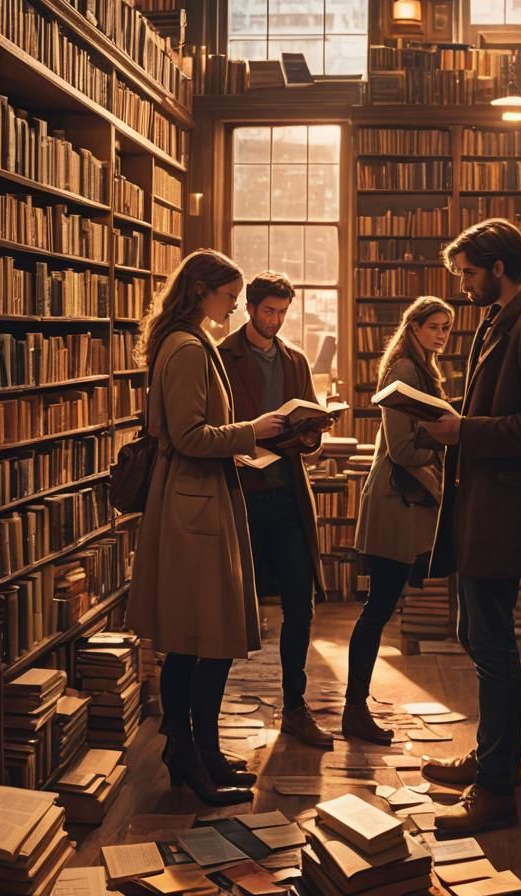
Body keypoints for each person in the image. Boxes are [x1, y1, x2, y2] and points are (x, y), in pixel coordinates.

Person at [420, 219, 521, 834]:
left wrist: (464, 430)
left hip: (503, 513)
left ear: (499, 269)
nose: (462, 286)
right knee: (479, 637)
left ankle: (498, 786)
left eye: (469, 274)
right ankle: (491, 757)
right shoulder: (499, 321)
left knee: (494, 647)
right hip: (482, 505)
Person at [125, 250, 286, 805]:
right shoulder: (188, 348)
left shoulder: (186, 341)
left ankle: (199, 752)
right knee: (201, 638)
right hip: (192, 506)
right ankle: (190, 756)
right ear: (199, 290)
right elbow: (192, 435)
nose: (236, 306)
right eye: (229, 295)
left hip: (197, 498)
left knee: (197, 638)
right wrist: (252, 431)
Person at [218, 272, 335, 749]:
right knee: (228, 607)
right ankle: (210, 715)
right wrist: (252, 432)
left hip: (287, 492)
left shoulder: (294, 360)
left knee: (299, 605)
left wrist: (310, 434)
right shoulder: (223, 357)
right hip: (241, 493)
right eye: (269, 311)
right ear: (250, 307)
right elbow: (213, 427)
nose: (276, 320)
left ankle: (294, 707)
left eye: (283, 312)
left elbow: (308, 430)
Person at [344, 297, 453, 744]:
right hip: (395, 504)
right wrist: (446, 438)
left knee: (381, 607)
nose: (442, 334)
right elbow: (403, 449)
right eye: (434, 326)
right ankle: (354, 708)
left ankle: (356, 705)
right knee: (378, 609)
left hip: (405, 504)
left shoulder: (420, 367)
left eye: (446, 327)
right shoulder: (406, 370)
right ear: (414, 327)